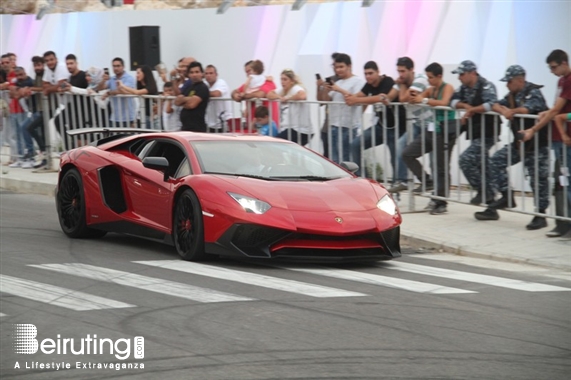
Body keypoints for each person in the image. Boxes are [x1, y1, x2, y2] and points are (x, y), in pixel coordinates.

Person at [473, 65, 550, 229]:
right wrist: (504, 110)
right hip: (519, 144)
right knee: (495, 161)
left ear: (520, 80)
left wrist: (512, 111)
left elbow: (529, 108)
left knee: (538, 180)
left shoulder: (533, 92)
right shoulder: (511, 96)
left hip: (537, 145)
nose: (507, 85)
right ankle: (507, 195)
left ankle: (541, 214)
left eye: (509, 82)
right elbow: (494, 104)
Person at [521, 49, 571, 237]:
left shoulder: (569, 81)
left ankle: (565, 223)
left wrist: (533, 130)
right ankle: (564, 222)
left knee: (565, 181)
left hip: (566, 140)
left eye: (554, 67)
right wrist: (546, 113)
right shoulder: (562, 81)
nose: (552, 71)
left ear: (564, 63)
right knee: (561, 181)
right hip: (559, 139)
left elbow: (557, 111)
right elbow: (556, 110)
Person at [402, 62, 458, 215]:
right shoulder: (431, 89)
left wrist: (423, 100)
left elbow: (444, 102)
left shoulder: (447, 87)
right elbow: (411, 98)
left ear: (440, 76)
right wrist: (412, 96)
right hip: (432, 130)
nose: (429, 80)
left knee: (441, 167)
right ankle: (427, 181)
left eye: (431, 78)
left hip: (446, 131)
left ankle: (441, 201)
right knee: (407, 153)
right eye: (427, 77)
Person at [450, 60, 500, 205]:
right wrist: (464, 105)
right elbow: (452, 101)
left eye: (462, 74)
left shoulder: (487, 86)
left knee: (465, 160)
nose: (459, 77)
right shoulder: (464, 88)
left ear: (472, 73)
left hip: (488, 132)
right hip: (476, 132)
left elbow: (491, 104)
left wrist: (471, 109)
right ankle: (491, 203)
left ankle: (485, 191)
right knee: (482, 166)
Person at [346, 61, 396, 178]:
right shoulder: (369, 85)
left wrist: (356, 100)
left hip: (396, 127)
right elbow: (357, 96)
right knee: (355, 144)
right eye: (365, 74)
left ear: (378, 72)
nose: (368, 76)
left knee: (395, 158)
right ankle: (361, 178)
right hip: (380, 126)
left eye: (370, 73)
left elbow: (381, 98)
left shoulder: (387, 81)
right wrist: (345, 94)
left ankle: (398, 183)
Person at [385, 57, 428, 192]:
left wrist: (402, 86)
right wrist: (383, 98)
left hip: (431, 123)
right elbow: (389, 97)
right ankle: (404, 181)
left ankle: (435, 191)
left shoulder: (420, 80)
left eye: (403, 71)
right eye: (398, 71)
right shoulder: (401, 82)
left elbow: (404, 99)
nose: (400, 75)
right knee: (401, 147)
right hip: (417, 123)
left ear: (411, 70)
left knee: (434, 160)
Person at [316, 53, 365, 163]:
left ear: (349, 66)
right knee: (334, 160)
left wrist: (338, 89)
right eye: (336, 67)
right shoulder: (338, 82)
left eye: (341, 67)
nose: (338, 70)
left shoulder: (358, 81)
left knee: (346, 160)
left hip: (348, 126)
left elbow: (355, 99)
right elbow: (324, 100)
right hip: (333, 125)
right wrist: (320, 87)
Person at [267, 69, 312, 145]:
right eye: (281, 79)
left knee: (276, 143)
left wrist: (288, 98)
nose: (282, 82)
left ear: (292, 81)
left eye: (285, 79)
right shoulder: (282, 90)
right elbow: (269, 94)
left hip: (301, 130)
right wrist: (279, 97)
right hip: (291, 129)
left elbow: (302, 95)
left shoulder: (295, 88)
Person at [231, 60, 279, 131]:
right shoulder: (249, 84)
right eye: (246, 72)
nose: (248, 74)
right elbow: (235, 92)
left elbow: (260, 94)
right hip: (253, 126)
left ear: (256, 70)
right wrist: (235, 95)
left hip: (268, 126)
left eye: (249, 71)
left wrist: (244, 96)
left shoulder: (268, 82)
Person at [20, 56, 47, 168]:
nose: (37, 67)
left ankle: (42, 152)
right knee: (39, 132)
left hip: (46, 108)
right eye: (35, 65)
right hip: (40, 109)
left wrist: (31, 89)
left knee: (30, 128)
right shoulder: (37, 76)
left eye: (39, 65)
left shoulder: (45, 75)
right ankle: (44, 156)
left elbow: (43, 88)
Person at [117, 65, 159, 129]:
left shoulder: (151, 87)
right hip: (142, 115)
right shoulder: (141, 86)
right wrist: (120, 88)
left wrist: (122, 85)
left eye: (138, 73)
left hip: (151, 117)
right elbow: (130, 93)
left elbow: (136, 92)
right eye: (136, 73)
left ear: (145, 73)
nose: (137, 75)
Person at [8, 67, 34, 168]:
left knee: (25, 131)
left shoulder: (29, 81)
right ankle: (21, 157)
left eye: (21, 75)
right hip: (25, 110)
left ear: (25, 73)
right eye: (18, 75)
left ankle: (30, 157)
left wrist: (18, 91)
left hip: (29, 111)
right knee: (18, 133)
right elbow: (12, 95)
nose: (20, 77)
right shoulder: (18, 82)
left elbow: (18, 95)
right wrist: (16, 90)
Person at [101, 57, 137, 128]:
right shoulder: (112, 79)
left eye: (118, 66)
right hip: (114, 117)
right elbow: (101, 87)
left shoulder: (129, 78)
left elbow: (122, 91)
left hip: (127, 117)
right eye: (114, 66)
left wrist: (109, 93)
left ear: (123, 67)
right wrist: (103, 80)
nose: (116, 68)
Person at [175, 61, 209, 132]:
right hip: (185, 127)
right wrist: (187, 99)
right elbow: (177, 102)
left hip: (197, 128)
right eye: (192, 72)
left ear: (202, 74)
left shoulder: (203, 87)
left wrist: (183, 100)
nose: (194, 75)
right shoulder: (189, 87)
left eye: (197, 72)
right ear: (189, 74)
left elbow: (191, 105)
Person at [204, 64, 232, 133]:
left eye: (211, 73)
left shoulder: (221, 83)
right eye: (206, 73)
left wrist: (202, 93)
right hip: (209, 123)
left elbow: (216, 94)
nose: (208, 75)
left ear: (216, 74)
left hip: (222, 123)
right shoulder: (205, 84)